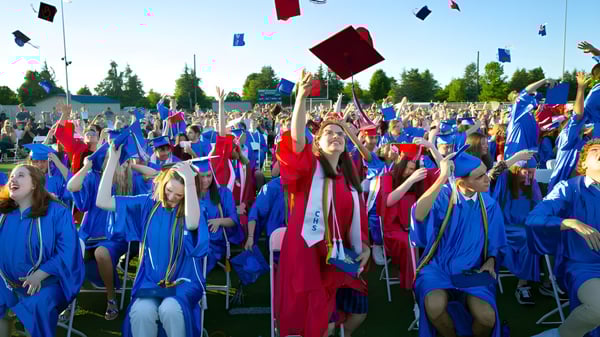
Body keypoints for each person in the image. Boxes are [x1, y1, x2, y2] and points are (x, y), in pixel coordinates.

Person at [275, 70, 370, 337]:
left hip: (338, 258)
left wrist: (362, 245)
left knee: (358, 311)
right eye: (328, 132)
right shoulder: (308, 169)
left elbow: (358, 221)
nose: (335, 136)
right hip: (308, 255)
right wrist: (301, 98)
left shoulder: (351, 180)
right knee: (321, 324)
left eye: (340, 133)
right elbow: (296, 140)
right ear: (317, 140)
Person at [96, 146, 209, 337]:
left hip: (184, 280)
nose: (171, 198)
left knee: (170, 310)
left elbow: (191, 224)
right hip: (151, 280)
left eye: (179, 195)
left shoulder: (194, 210)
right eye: (169, 190)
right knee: (141, 312)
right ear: (163, 183)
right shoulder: (148, 204)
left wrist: (190, 181)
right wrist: (113, 161)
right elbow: (103, 201)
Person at [411, 151, 507, 337]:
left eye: (486, 173)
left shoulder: (489, 205)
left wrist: (491, 261)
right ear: (461, 182)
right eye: (480, 177)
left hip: (472, 269)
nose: (488, 179)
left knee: (487, 317)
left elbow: (496, 242)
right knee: (434, 305)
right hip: (438, 267)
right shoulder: (444, 198)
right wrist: (443, 177)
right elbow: (418, 215)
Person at [0, 165, 84, 337]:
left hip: (48, 282)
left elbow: (67, 252)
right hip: (6, 282)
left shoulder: (57, 213)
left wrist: (41, 274)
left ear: (34, 185)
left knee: (39, 304)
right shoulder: (5, 214)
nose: (12, 180)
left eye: (20, 176)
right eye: (11, 177)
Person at [528, 138, 600, 337]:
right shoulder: (569, 188)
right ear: (583, 162)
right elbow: (535, 218)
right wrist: (569, 222)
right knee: (598, 308)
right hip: (582, 266)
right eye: (595, 150)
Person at [67, 144, 130, 321]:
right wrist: (86, 166)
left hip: (115, 235)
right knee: (68, 251)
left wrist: (131, 165)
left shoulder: (127, 179)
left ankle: (111, 298)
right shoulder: (93, 177)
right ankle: (69, 299)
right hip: (89, 232)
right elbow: (72, 188)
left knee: (101, 253)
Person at [380, 143, 439, 288]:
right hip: (394, 228)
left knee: (437, 235)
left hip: (417, 224)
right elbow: (388, 201)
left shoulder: (421, 177)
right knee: (409, 243)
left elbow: (445, 170)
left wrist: (431, 145)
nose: (408, 171)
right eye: (406, 167)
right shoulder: (388, 176)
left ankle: (433, 279)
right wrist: (411, 180)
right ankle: (414, 284)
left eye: (412, 169)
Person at [491, 158, 543, 305]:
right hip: (503, 227)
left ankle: (523, 283)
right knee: (524, 238)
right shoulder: (504, 181)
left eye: (532, 173)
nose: (529, 176)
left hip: (525, 228)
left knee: (532, 238)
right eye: (526, 172)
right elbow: (494, 172)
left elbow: (539, 207)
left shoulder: (532, 184)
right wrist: (517, 156)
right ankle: (523, 280)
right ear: (515, 170)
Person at [195, 157, 243, 274]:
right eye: (202, 176)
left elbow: (233, 220)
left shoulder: (224, 193)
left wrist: (219, 221)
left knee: (201, 256)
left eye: (209, 176)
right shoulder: (190, 194)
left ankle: (196, 282)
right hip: (194, 239)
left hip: (214, 242)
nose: (206, 180)